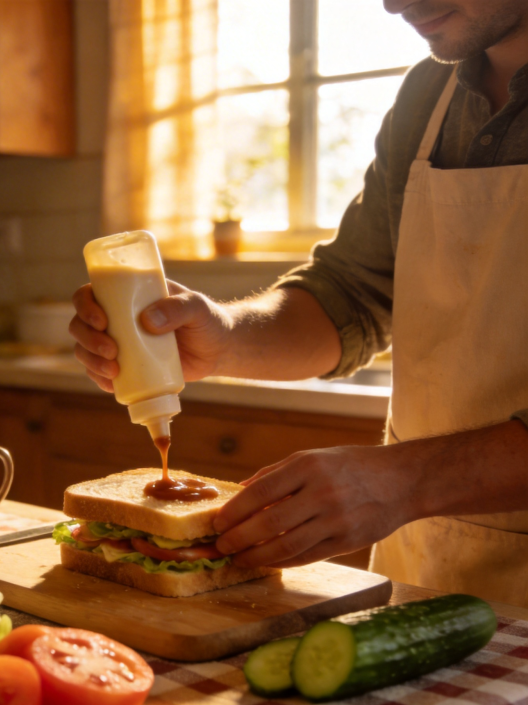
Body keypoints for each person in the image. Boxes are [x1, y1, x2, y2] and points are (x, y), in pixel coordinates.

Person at [69, 0, 528, 606]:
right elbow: (351, 296)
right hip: (431, 567)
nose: (393, 4)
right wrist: (225, 334)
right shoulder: (428, 94)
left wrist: (404, 481)